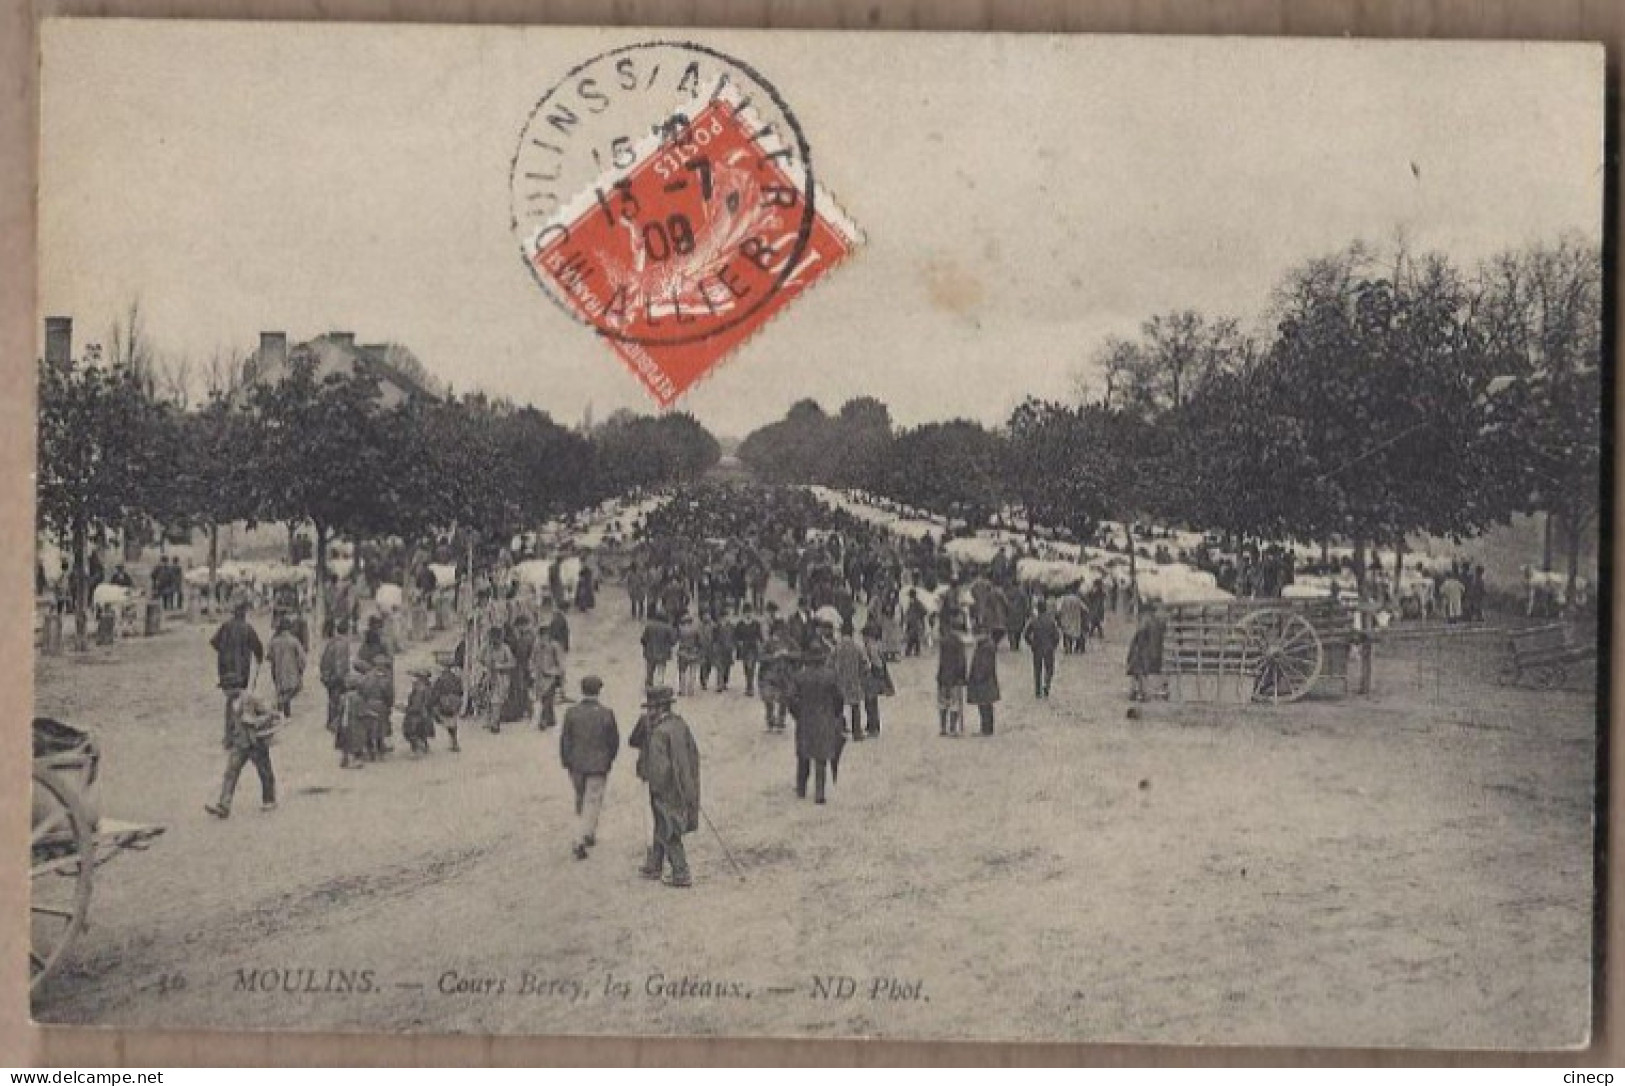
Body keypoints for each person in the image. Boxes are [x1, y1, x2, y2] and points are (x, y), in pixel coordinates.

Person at [629, 686, 701, 887]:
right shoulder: (679, 724)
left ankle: (681, 872)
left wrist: (656, 787)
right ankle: (654, 865)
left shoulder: (659, 732)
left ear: (659, 708)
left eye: (651, 708)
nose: (648, 712)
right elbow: (692, 753)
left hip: (664, 787)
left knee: (668, 827)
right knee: (661, 824)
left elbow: (659, 768)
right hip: (682, 784)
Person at [560, 675, 620, 860]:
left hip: (576, 765)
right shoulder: (606, 713)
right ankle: (581, 838)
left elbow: (565, 740)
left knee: (580, 799)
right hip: (598, 765)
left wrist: (567, 760)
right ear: (599, 691)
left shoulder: (571, 713)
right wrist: (608, 759)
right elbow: (614, 742)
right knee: (593, 801)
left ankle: (587, 831)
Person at [205, 690, 279, 818]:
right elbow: (229, 723)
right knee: (231, 772)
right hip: (239, 744)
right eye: (226, 688)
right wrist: (228, 739)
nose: (227, 692)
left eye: (230, 688)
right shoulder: (229, 704)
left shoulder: (252, 698)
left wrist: (254, 721)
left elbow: (272, 714)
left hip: (256, 742)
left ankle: (269, 799)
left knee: (264, 771)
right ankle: (224, 805)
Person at [789, 645, 845, 804]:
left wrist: (797, 714)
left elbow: (791, 698)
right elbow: (839, 698)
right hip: (824, 719)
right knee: (821, 757)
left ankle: (801, 788)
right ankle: (819, 793)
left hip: (805, 719)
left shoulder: (800, 676)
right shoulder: (830, 676)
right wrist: (836, 714)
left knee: (803, 755)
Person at [210, 601, 264, 744]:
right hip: (240, 673)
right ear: (244, 613)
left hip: (225, 671)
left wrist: (225, 651)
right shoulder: (247, 629)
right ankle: (236, 735)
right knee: (238, 701)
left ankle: (230, 734)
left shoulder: (225, 627)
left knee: (230, 701)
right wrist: (259, 658)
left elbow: (214, 642)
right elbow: (258, 648)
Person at [831, 622, 867, 742]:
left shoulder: (837, 647)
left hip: (839, 680)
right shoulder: (857, 647)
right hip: (854, 680)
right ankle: (857, 732)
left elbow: (829, 663)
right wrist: (861, 675)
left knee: (838, 707)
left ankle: (838, 731)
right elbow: (864, 663)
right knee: (855, 707)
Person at [1127, 600, 1167, 702]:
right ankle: (1135, 690)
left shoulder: (1146, 619)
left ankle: (1141, 692)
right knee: (1139, 668)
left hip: (1145, 651)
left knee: (1138, 668)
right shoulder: (1158, 621)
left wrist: (1135, 645)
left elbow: (1140, 633)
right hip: (1156, 652)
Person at [267, 618, 308, 718]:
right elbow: (303, 658)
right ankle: (282, 706)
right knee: (295, 688)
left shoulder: (274, 641)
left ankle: (283, 711)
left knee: (282, 691)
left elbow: (269, 657)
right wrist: (300, 669)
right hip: (292, 672)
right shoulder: (294, 641)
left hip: (278, 672)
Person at [936, 617, 969, 736]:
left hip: (943, 676)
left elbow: (941, 661)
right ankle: (953, 728)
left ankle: (943, 727)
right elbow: (961, 662)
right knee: (955, 703)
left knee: (943, 701)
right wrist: (963, 677)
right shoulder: (959, 644)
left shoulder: (944, 641)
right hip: (955, 677)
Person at [318, 620, 353, 733]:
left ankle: (331, 721)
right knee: (337, 699)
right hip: (335, 676)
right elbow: (340, 663)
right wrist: (342, 679)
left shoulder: (332, 642)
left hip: (327, 675)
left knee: (333, 699)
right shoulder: (343, 643)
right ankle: (334, 723)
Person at [860, 622, 893, 736]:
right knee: (872, 702)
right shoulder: (875, 645)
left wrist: (870, 670)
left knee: (870, 702)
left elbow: (877, 663)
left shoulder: (871, 647)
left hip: (871, 677)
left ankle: (873, 727)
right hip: (874, 677)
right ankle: (873, 725)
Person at [1024, 597, 1061, 698]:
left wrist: (1031, 644)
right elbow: (1057, 636)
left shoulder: (1033, 621)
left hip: (1037, 648)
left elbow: (1026, 635)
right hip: (1049, 648)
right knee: (1049, 669)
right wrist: (1053, 645)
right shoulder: (1051, 621)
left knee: (1037, 670)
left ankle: (1037, 691)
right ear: (1046, 608)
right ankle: (1047, 685)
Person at [967, 628, 1001, 736]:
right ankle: (987, 728)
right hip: (985, 679)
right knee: (985, 704)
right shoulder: (986, 645)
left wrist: (978, 677)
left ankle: (986, 729)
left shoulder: (986, 647)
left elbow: (985, 665)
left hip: (983, 680)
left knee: (984, 704)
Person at [483, 625, 515, 733]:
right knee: (488, 699)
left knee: (496, 701)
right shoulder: (487, 648)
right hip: (489, 677)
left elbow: (512, 663)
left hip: (501, 677)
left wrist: (500, 665)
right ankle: (489, 720)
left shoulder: (505, 648)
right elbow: (479, 658)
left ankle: (495, 723)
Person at [533, 629, 566, 730]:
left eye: (545, 636)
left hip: (551, 676)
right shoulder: (537, 647)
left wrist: (560, 676)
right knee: (544, 698)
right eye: (541, 636)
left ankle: (543, 720)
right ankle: (551, 719)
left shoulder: (554, 646)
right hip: (539, 677)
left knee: (547, 697)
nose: (543, 639)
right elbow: (533, 659)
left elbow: (560, 662)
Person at [431, 659, 464, 753]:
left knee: (445, 720)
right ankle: (454, 742)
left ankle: (454, 742)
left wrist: (434, 702)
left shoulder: (440, 679)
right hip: (455, 702)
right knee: (453, 722)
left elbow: (436, 692)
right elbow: (461, 691)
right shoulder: (456, 678)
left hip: (445, 702)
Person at [402, 667, 435, 754]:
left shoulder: (420, 688)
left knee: (412, 730)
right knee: (423, 730)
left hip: (418, 712)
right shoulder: (428, 686)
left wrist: (407, 709)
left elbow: (417, 702)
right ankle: (424, 745)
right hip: (425, 712)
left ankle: (417, 748)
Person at [641, 611, 676, 688]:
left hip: (650, 652)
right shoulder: (668, 627)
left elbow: (643, 639)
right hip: (663, 653)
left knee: (650, 670)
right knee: (661, 669)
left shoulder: (649, 626)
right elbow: (673, 641)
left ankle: (649, 685)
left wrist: (646, 647)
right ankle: (659, 685)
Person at [733, 605, 763, 697]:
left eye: (750, 612)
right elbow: (736, 636)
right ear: (743, 613)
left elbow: (760, 636)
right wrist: (738, 643)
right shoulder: (740, 624)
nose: (748, 614)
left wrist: (761, 644)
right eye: (746, 612)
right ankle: (748, 684)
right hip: (744, 649)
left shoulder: (756, 624)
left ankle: (750, 687)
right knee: (746, 667)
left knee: (752, 667)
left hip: (753, 648)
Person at [676, 614, 702, 696]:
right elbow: (699, 641)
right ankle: (691, 689)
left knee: (682, 671)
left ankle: (682, 689)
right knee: (693, 671)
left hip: (682, 652)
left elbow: (675, 639)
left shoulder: (680, 629)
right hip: (693, 652)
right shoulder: (695, 630)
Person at [1057, 590, 1087, 655]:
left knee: (1066, 634)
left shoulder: (1063, 599)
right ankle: (1080, 649)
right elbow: (1085, 609)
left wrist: (1059, 618)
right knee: (1077, 633)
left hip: (1065, 619)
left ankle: (1068, 649)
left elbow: (1058, 610)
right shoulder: (1077, 599)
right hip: (1076, 619)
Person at [903, 588, 927, 657]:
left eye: (911, 595)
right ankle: (913, 651)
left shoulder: (918, 603)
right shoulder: (911, 603)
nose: (910, 597)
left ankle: (911, 651)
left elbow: (924, 611)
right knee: (913, 637)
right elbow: (908, 612)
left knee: (913, 637)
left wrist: (918, 616)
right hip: (911, 623)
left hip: (916, 623)